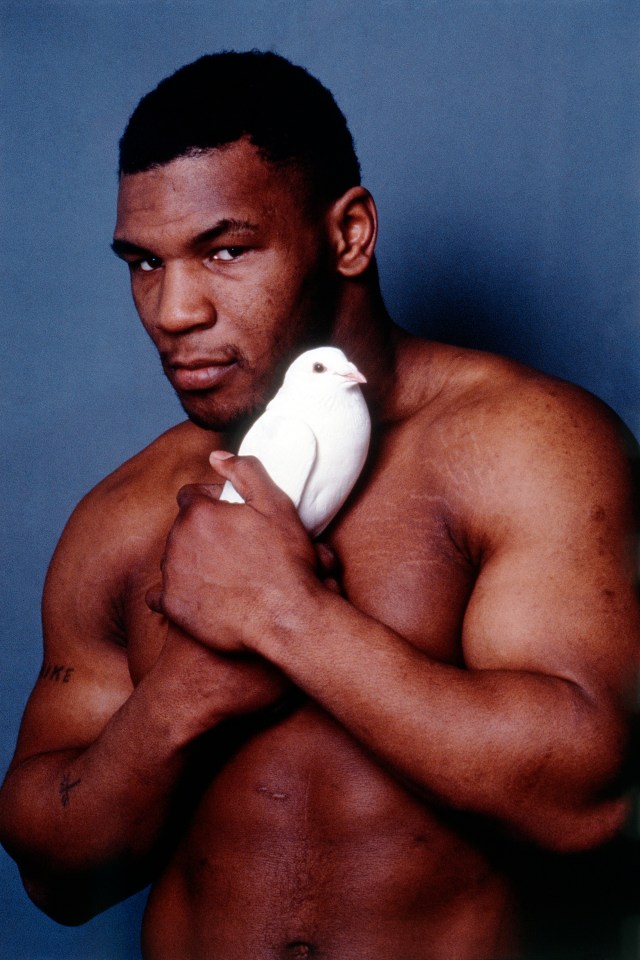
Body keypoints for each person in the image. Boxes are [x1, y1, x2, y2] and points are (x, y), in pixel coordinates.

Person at [0, 51, 638, 960]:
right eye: (144, 262)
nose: (173, 309)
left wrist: (288, 619)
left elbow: (595, 804)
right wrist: (187, 693)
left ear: (349, 234)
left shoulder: (525, 445)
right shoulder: (129, 511)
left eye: (224, 251)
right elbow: (52, 876)